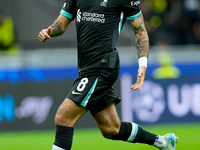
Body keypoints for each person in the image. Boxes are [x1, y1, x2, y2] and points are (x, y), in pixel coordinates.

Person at [38, 0, 178, 150]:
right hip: (86, 67)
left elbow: (140, 29)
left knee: (63, 117)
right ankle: (163, 142)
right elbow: (61, 23)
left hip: (102, 66)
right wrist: (50, 31)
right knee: (111, 129)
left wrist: (142, 64)